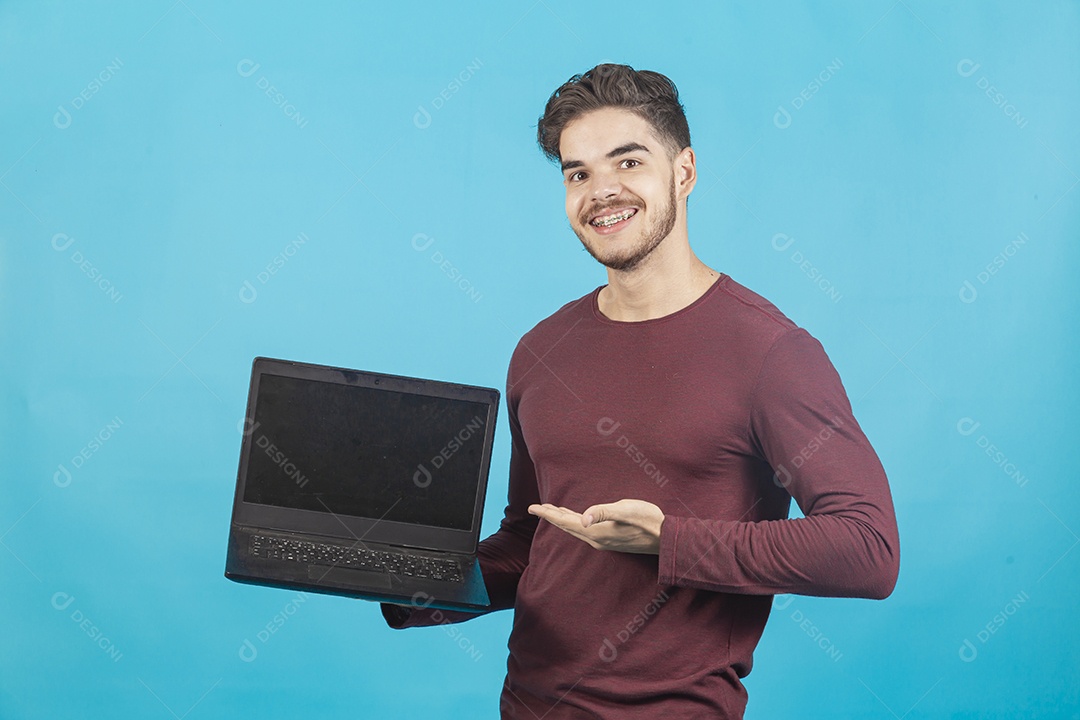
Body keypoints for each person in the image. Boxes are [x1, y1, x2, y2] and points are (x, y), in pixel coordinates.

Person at [381, 63, 900, 719]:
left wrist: (670, 542)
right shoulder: (541, 351)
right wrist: (406, 585)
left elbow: (869, 549)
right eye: (578, 173)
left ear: (683, 172)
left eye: (627, 162)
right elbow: (530, 542)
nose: (602, 190)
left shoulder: (772, 354)